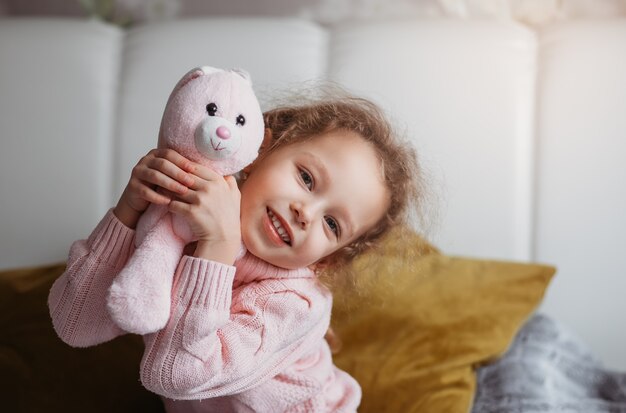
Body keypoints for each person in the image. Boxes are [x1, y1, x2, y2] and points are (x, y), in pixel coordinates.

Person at [48, 93, 423, 412]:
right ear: (261, 150)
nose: (306, 213)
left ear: (327, 259)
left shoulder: (296, 304)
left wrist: (218, 246)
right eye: (306, 179)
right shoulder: (181, 220)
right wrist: (128, 212)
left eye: (332, 224)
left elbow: (174, 374)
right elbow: (73, 324)